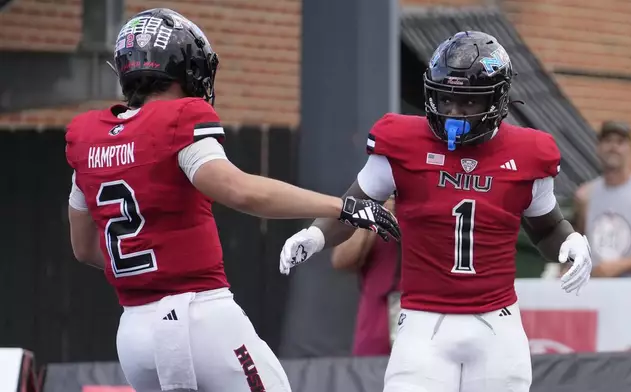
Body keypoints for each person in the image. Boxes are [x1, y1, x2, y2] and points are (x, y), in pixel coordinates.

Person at [65, 8, 399, 392]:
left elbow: (84, 247)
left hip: (134, 334)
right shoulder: (178, 119)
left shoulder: (88, 138)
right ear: (185, 67)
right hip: (199, 320)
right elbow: (239, 190)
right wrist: (341, 206)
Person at [279, 31, 592, 392]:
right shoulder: (402, 143)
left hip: (497, 325)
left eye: (468, 103)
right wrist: (315, 235)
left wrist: (571, 241)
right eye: (445, 99)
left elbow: (547, 228)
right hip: (422, 324)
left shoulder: (528, 153)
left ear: (497, 99)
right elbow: (353, 208)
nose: (453, 113)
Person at [331, 196, 401, 356]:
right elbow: (340, 260)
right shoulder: (374, 193)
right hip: (377, 322)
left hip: (427, 319)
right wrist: (373, 216)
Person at [573, 120, 631, 277]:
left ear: (630, 149)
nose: (613, 147)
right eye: (608, 141)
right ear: (598, 148)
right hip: (596, 292)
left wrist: (622, 265)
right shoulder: (585, 195)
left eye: (620, 142)